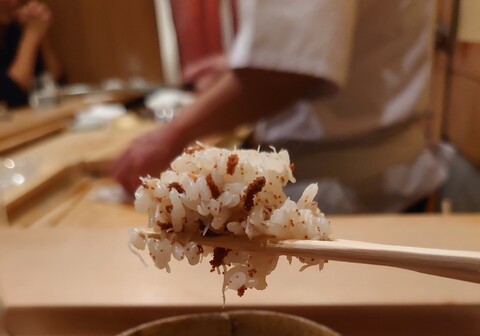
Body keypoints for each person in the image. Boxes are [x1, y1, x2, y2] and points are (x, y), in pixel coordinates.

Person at [111, 0, 450, 213]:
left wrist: (171, 136)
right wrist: (235, 63)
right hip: (373, 177)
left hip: (348, 192)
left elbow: (288, 72)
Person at [0, 0, 63, 108]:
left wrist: (40, 31)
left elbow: (54, 79)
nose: (14, 2)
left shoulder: (12, 30)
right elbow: (11, 94)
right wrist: (32, 35)